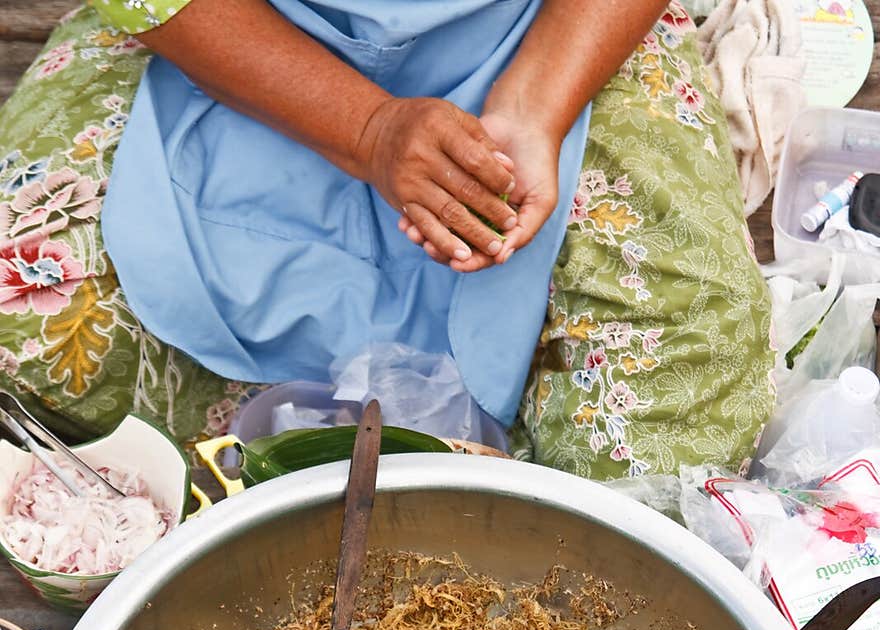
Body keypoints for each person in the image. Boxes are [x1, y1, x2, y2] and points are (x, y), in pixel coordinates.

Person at [0, 1, 773, 479]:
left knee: (686, 380)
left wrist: (535, 109)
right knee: (27, 305)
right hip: (243, 39)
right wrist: (367, 131)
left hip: (547, 33)